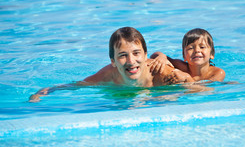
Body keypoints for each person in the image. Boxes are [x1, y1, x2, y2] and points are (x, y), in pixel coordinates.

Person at [29, 27, 192, 102]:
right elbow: (76, 85)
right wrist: (45, 91)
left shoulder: (162, 73)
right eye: (122, 56)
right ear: (113, 61)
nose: (131, 61)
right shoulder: (107, 76)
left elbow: (198, 88)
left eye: (136, 53)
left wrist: (162, 96)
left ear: (145, 55)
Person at [150, 28, 225, 82]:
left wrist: (186, 78)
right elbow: (153, 56)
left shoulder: (217, 73)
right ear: (184, 56)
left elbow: (204, 90)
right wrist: (162, 57)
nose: (197, 50)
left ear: (212, 54)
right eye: (190, 48)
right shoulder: (181, 66)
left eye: (202, 47)